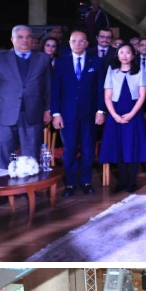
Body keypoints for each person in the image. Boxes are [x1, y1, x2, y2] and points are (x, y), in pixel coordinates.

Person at [51, 29, 105, 196]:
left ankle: (86, 182)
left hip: (89, 114)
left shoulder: (96, 62)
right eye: (74, 41)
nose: (77, 44)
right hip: (67, 115)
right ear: (69, 43)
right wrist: (56, 113)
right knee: (70, 150)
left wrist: (100, 110)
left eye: (81, 41)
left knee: (88, 150)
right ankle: (70, 183)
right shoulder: (61, 63)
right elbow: (55, 90)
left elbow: (100, 88)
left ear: (87, 44)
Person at [0, 23, 51, 164]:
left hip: (33, 114)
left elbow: (49, 87)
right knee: (5, 157)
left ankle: (30, 179)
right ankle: (6, 179)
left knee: (31, 159)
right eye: (20, 37)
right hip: (4, 115)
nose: (25, 40)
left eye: (28, 37)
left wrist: (48, 109)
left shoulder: (43, 59)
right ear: (12, 39)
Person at [100, 42, 146, 192]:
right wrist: (115, 115)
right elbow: (107, 96)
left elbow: (142, 96)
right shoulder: (112, 70)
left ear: (133, 55)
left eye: (128, 52)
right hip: (115, 113)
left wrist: (131, 114)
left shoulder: (139, 70)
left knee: (132, 146)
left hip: (134, 113)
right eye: (121, 52)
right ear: (117, 55)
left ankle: (132, 181)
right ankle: (122, 181)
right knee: (119, 146)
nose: (124, 55)